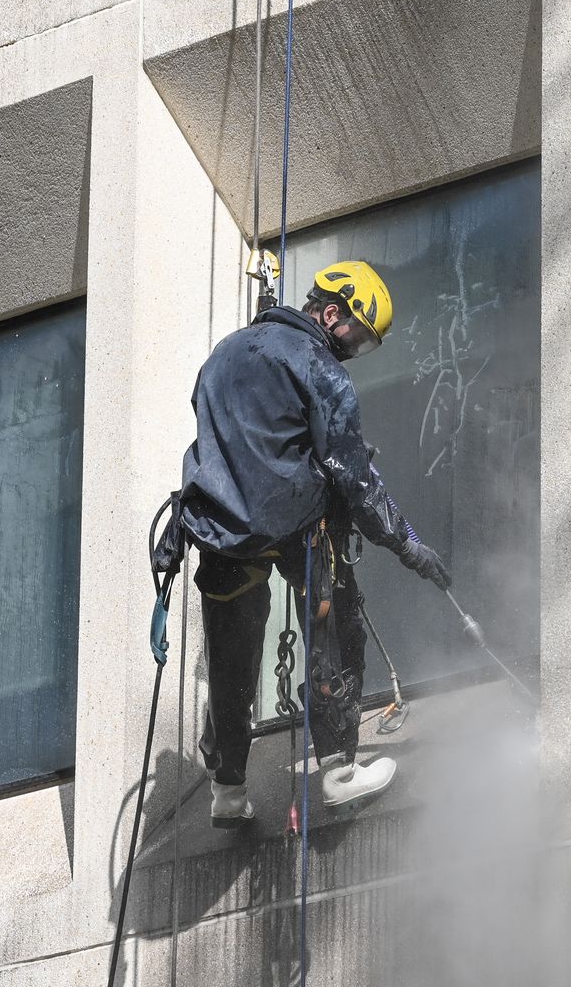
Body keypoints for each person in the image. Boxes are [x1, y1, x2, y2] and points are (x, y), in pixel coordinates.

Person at [170, 259, 451, 827]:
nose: (354, 352)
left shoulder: (222, 356)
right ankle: (341, 774)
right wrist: (409, 544)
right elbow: (355, 479)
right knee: (335, 632)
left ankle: (227, 790)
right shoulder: (320, 369)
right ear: (331, 312)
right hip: (299, 531)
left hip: (222, 538)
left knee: (230, 662)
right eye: (358, 337)